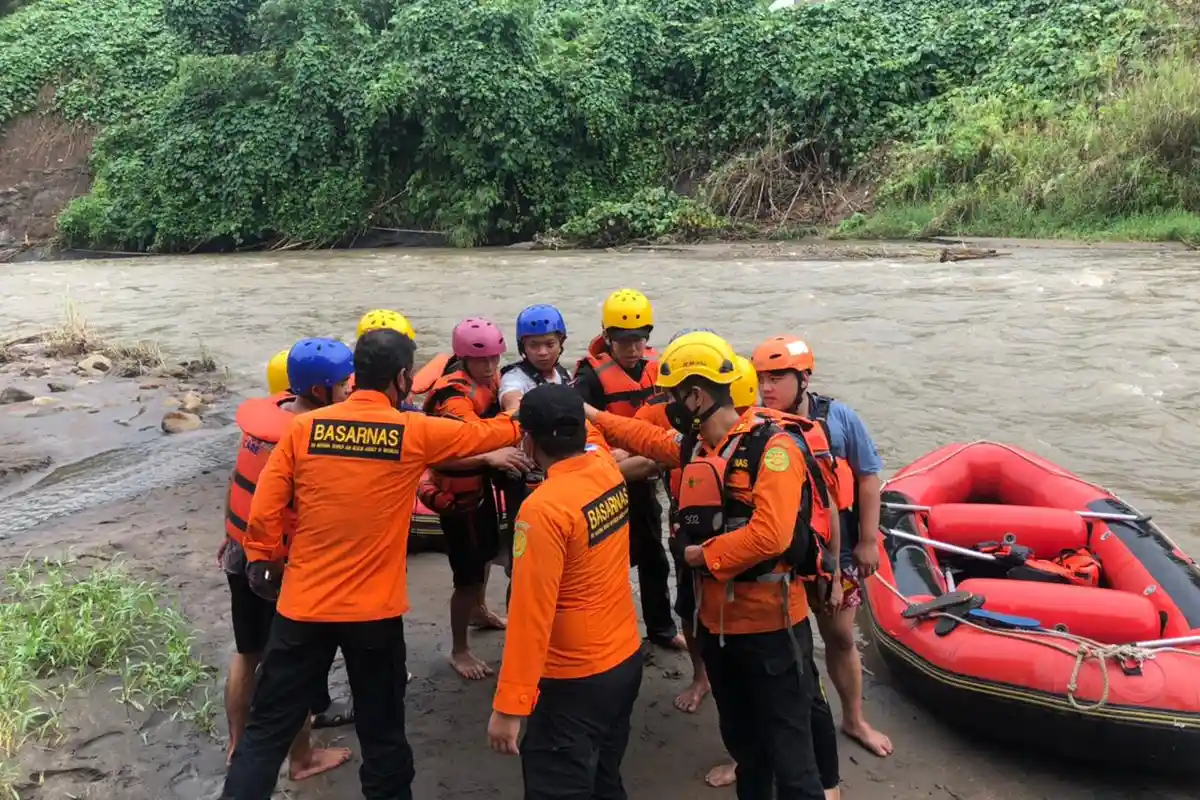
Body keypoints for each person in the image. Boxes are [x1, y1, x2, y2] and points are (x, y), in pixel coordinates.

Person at [222, 328, 525, 800]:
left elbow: (265, 508)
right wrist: (518, 409)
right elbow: (485, 435)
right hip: (373, 614)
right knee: (383, 732)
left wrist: (263, 560)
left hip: (303, 606)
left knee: (265, 732)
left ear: (354, 375)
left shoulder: (303, 429)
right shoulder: (413, 432)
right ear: (403, 378)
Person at [584, 331, 830, 800]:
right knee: (745, 747)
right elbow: (648, 438)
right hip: (717, 628)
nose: (667, 405)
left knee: (792, 759)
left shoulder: (774, 450)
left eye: (672, 396)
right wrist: (594, 416)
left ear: (696, 396)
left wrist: (702, 556)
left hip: (772, 629)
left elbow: (772, 535)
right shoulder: (699, 447)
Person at [488, 384, 643, 800]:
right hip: (624, 658)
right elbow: (593, 439)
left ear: (527, 440)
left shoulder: (543, 509)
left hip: (574, 677)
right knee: (605, 777)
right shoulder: (606, 468)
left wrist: (510, 705)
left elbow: (530, 614)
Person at [218, 338, 355, 781]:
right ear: (318, 391)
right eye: (343, 384)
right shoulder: (309, 437)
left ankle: (237, 742)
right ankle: (302, 758)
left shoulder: (265, 422)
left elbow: (236, 481)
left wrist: (228, 535)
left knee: (247, 653)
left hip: (239, 551)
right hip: (276, 566)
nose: (350, 390)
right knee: (292, 665)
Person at [752, 334, 892, 759]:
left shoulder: (840, 419)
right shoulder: (754, 424)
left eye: (777, 378)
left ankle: (854, 718)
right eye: (761, 379)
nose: (767, 388)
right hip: (783, 550)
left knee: (841, 636)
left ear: (804, 379)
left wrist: (868, 540)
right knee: (775, 645)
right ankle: (772, 733)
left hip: (838, 549)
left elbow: (867, 478)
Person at [421, 317, 533, 680]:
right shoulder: (453, 399)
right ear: (463, 359)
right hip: (458, 495)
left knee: (485, 555)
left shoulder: (492, 380)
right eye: (481, 360)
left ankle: (479, 610)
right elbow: (439, 455)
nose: (490, 367)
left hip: (481, 489)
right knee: (467, 576)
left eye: (494, 359)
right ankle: (459, 649)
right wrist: (489, 458)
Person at [572, 289, 682, 651]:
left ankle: (661, 629)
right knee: (606, 563)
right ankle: (606, 633)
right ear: (607, 337)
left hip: (645, 478)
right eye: (623, 341)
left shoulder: (660, 370)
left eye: (638, 339)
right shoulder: (589, 378)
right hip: (606, 480)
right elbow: (579, 430)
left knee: (654, 557)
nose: (632, 348)